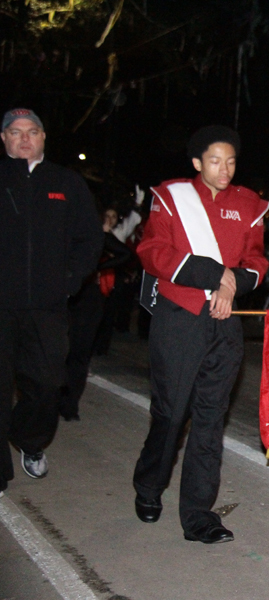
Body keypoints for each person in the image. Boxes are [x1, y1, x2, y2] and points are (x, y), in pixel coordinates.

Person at [132, 125, 269, 544]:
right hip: (180, 316)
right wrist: (216, 275)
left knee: (210, 419)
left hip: (225, 322)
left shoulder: (250, 204)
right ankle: (149, 485)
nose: (224, 169)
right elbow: (153, 251)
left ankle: (199, 516)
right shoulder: (171, 197)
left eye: (230, 161)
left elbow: (257, 260)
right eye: (215, 160)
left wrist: (234, 284)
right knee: (172, 413)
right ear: (196, 163)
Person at [0, 108, 103, 493]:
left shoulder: (67, 183)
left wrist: (70, 280)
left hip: (47, 306)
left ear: (43, 138)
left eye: (32, 132)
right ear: (4, 139)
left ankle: (28, 439)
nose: (24, 139)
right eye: (15, 132)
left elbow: (90, 239)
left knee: (46, 383)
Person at [61, 208, 133, 421]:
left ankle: (69, 404)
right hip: (66, 295)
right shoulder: (66, 231)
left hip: (86, 297)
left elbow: (126, 254)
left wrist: (99, 267)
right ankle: (60, 401)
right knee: (63, 351)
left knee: (79, 352)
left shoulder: (95, 235)